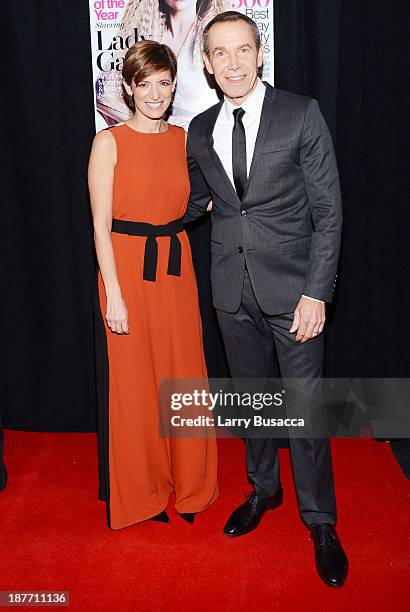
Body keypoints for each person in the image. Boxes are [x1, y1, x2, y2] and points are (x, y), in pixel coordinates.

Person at [184, 11, 348, 587]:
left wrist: (316, 292)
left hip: (295, 292)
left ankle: (321, 521)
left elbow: (329, 211)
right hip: (231, 291)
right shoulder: (200, 129)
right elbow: (196, 202)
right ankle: (263, 491)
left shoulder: (301, 113)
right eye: (220, 54)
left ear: (261, 53)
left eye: (242, 50)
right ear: (206, 63)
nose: (232, 63)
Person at [88, 39, 218, 530]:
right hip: (125, 270)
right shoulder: (109, 142)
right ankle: (142, 492)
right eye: (146, 84)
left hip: (176, 267)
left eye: (164, 83)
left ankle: (189, 485)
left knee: (181, 375)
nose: (156, 93)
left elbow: (203, 196)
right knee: (136, 385)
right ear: (128, 86)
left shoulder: (184, 139)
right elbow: (100, 225)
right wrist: (114, 294)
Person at [96, 0, 227, 129]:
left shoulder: (214, 35)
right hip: (160, 144)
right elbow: (104, 95)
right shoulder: (150, 34)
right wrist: (155, 127)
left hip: (205, 144)